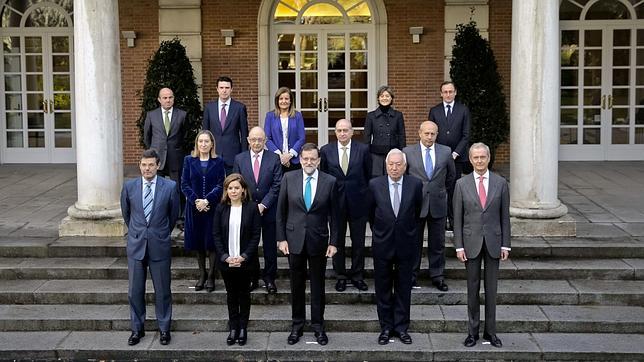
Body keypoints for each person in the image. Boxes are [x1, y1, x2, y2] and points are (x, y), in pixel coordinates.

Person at [276, 143, 338, 346]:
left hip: (319, 240)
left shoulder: (330, 181)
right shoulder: (289, 178)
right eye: (305, 158)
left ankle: (319, 326)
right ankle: (297, 325)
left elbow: (335, 216)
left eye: (313, 158)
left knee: (318, 286)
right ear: (300, 159)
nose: (309, 162)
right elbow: (281, 212)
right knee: (296, 285)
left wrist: (334, 242)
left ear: (319, 160)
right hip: (294, 241)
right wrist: (281, 239)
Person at [453, 142, 511, 348]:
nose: (479, 161)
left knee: (492, 290)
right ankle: (472, 332)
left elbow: (505, 217)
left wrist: (506, 245)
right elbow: (457, 218)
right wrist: (458, 246)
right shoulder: (461, 184)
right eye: (475, 158)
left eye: (482, 157)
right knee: (472, 289)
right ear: (470, 160)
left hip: (494, 242)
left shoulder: (501, 183)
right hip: (471, 243)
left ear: (488, 158)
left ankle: (491, 332)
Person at [120, 149, 180, 346]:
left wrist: (159, 232)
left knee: (162, 291)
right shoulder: (129, 187)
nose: (147, 168)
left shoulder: (170, 187)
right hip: (136, 245)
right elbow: (127, 214)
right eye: (144, 165)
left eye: (151, 165)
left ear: (158, 165)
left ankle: (164, 329)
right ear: (140, 165)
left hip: (159, 244)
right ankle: (137, 329)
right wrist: (139, 233)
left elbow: (173, 216)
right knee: (134, 291)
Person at [369, 149, 422, 346]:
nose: (394, 167)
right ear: (386, 165)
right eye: (391, 164)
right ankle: (385, 327)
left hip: (406, 245)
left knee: (403, 288)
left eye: (398, 164)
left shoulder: (415, 185)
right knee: (382, 288)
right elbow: (370, 214)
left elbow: (417, 211)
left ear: (405, 166)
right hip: (382, 245)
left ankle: (401, 327)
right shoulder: (375, 184)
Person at [320, 119, 371, 292]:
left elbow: (368, 174)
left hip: (358, 202)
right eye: (339, 130)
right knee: (337, 241)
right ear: (335, 132)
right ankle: (340, 275)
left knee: (358, 242)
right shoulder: (326, 151)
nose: (342, 133)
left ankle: (358, 275)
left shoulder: (363, 149)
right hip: (335, 204)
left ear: (352, 132)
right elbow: (325, 177)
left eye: (345, 130)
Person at [403, 121, 455, 291]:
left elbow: (451, 177)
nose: (429, 137)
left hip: (438, 204)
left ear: (437, 134)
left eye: (433, 134)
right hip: (415, 205)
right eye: (426, 133)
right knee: (412, 243)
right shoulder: (408, 152)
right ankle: (411, 275)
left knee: (437, 243)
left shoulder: (445, 152)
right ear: (419, 133)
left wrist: (439, 192)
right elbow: (404, 179)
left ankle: (437, 276)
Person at [212, 173, 261, 346]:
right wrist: (225, 257)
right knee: (231, 295)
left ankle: (243, 328)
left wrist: (244, 256)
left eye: (236, 188)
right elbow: (216, 235)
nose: (233, 191)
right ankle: (233, 328)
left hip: (245, 261)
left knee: (244, 295)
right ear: (226, 191)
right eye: (230, 188)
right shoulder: (220, 209)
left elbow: (256, 236)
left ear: (243, 190)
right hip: (227, 262)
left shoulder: (252, 208)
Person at [233, 127, 283, 294]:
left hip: (269, 210)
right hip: (247, 210)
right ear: (248, 140)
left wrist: (264, 204)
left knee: (269, 247)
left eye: (259, 140)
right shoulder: (239, 159)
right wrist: (251, 206)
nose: (256, 143)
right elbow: (236, 184)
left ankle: (269, 278)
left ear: (265, 140)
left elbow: (277, 185)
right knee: (249, 246)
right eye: (253, 139)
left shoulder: (274, 158)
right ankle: (252, 278)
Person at [181, 130, 225, 292]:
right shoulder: (188, 160)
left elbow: (221, 184)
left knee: (211, 243)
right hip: (194, 209)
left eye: (207, 141)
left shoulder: (218, 161)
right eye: (201, 141)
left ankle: (212, 275)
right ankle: (202, 274)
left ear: (212, 144)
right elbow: (184, 184)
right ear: (197, 144)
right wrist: (196, 201)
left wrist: (207, 200)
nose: (204, 144)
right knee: (198, 242)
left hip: (212, 208)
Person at [428, 81, 470, 230]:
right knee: (439, 188)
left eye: (450, 91)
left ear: (455, 92)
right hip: (439, 158)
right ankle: (440, 219)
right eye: (445, 92)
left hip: (457, 158)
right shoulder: (434, 111)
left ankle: (453, 221)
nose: (448, 94)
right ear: (441, 94)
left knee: (454, 189)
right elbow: (430, 134)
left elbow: (466, 135)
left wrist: (455, 153)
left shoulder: (463, 110)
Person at [143, 87, 187, 228]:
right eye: (165, 98)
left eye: (170, 97)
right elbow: (147, 137)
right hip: (157, 158)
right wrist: (153, 152)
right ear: (159, 99)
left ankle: (180, 218)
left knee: (178, 188)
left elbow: (186, 137)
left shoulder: (182, 115)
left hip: (176, 157)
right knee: (157, 189)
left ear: (173, 98)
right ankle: (159, 217)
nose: (168, 100)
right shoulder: (151, 115)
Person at [202, 76, 249, 175]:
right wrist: (204, 153)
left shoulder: (240, 108)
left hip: (233, 156)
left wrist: (244, 156)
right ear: (217, 89)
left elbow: (244, 134)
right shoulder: (209, 108)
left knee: (232, 187)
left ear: (231, 89)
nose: (224, 91)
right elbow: (204, 133)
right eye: (221, 88)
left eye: (227, 88)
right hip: (213, 155)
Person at [363, 85, 406, 177]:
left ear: (391, 98)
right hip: (376, 154)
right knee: (376, 179)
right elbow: (366, 137)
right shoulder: (371, 116)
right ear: (378, 99)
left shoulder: (398, 115)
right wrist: (367, 154)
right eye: (382, 96)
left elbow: (402, 135)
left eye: (387, 96)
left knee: (393, 177)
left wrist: (402, 153)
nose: (384, 98)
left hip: (393, 153)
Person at [264, 87, 306, 173]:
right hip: (276, 159)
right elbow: (267, 138)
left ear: (290, 101)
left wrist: (289, 155)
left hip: (294, 160)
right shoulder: (270, 116)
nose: (284, 101)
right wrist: (281, 156)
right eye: (281, 99)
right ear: (277, 101)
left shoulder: (298, 116)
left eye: (286, 98)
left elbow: (301, 138)